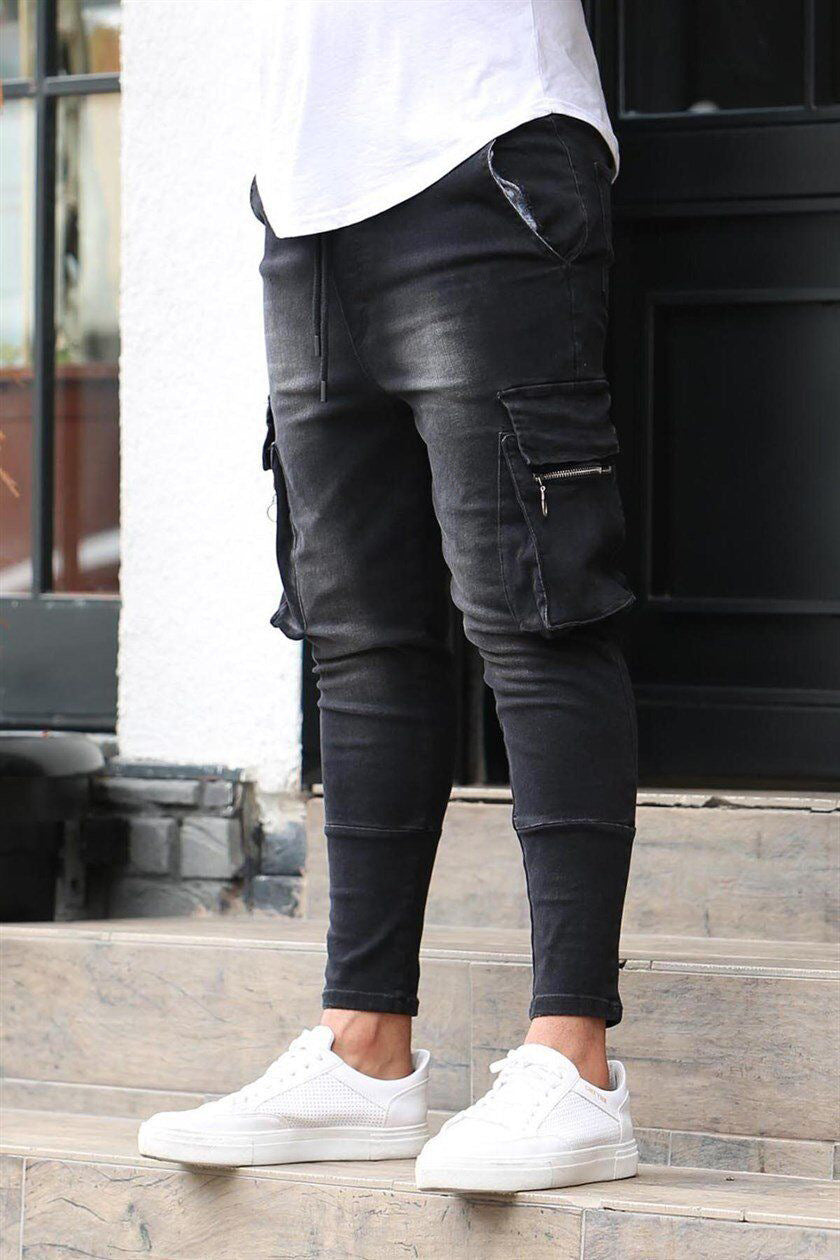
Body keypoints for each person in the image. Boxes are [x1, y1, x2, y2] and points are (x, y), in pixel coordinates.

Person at [138, 0, 639, 1193]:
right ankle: (364, 1048)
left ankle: (576, 1062)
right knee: (357, 640)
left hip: (484, 149)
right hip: (306, 191)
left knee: (536, 612)